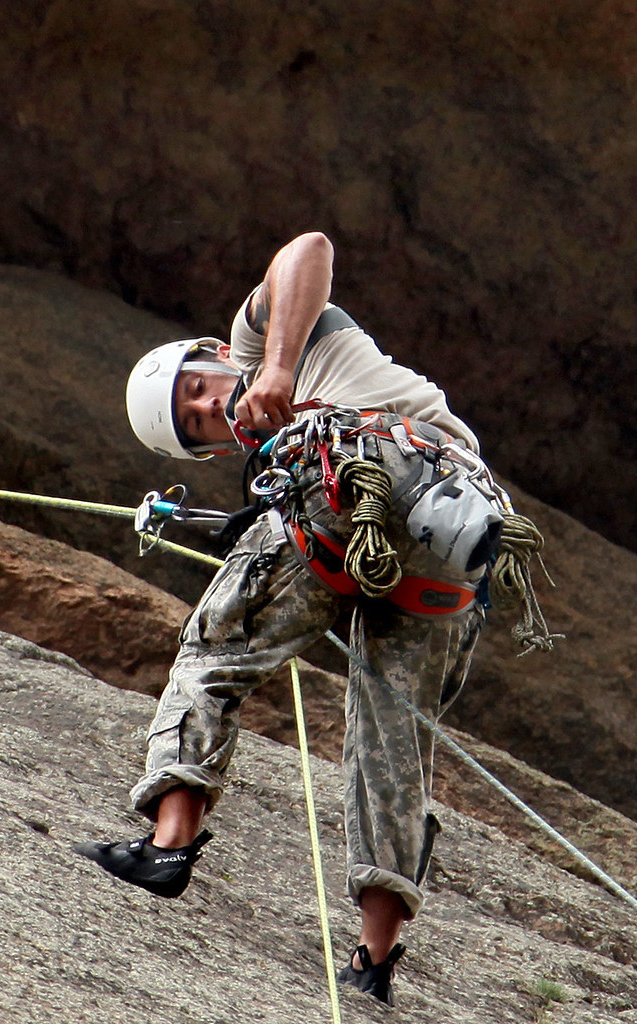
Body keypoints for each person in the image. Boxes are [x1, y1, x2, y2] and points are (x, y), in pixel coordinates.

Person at [75, 231, 506, 1007]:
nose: (211, 405)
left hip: (364, 469)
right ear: (209, 453)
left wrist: (274, 366)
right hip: (446, 537)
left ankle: (168, 845)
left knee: (215, 650)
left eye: (199, 386)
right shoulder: (259, 442)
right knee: (393, 741)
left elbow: (308, 246)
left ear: (214, 351)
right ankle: (372, 965)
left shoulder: (271, 343)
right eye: (198, 422)